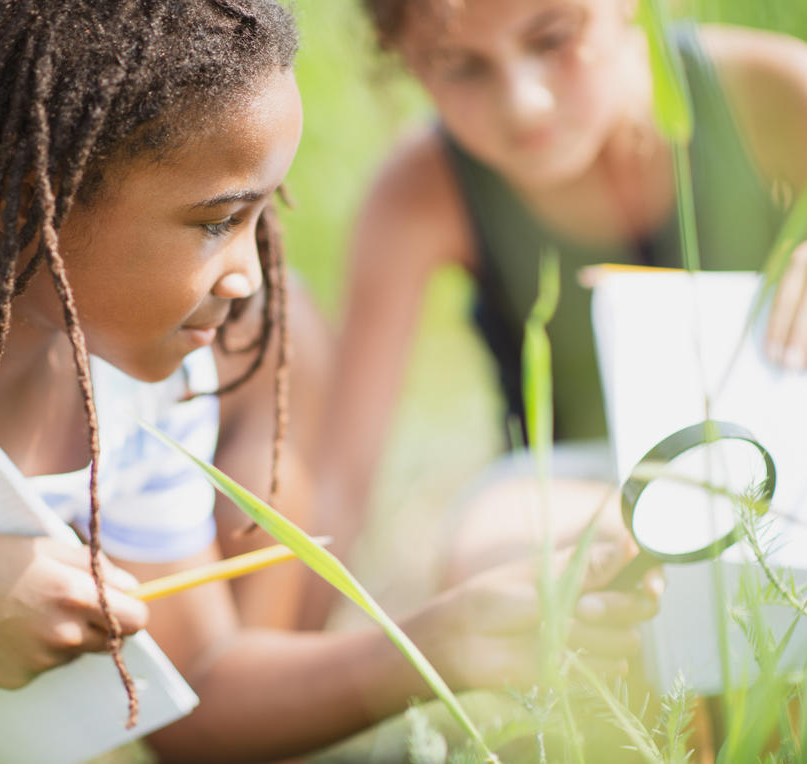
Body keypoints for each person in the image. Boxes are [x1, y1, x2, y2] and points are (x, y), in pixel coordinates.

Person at [0, 1, 655, 761]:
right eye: (216, 219)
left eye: (262, 217)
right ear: (23, 191)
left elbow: (197, 688)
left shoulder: (128, 370)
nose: (251, 275)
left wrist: (449, 636)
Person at [302, 0, 807, 628]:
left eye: (553, 39)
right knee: (493, 544)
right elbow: (339, 482)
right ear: (404, 62)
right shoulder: (420, 191)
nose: (525, 103)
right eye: (462, 67)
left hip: (788, 450)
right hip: (596, 495)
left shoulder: (771, 90)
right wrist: (269, 684)